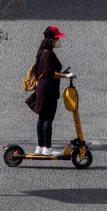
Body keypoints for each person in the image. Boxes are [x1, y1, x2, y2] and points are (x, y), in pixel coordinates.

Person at [30, 25, 75, 155]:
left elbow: (46, 71)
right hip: (48, 90)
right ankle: (48, 149)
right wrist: (66, 75)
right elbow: (50, 73)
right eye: (56, 38)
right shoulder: (48, 54)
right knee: (48, 119)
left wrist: (61, 73)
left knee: (42, 118)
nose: (58, 41)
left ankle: (40, 146)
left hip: (42, 89)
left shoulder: (42, 52)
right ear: (51, 40)